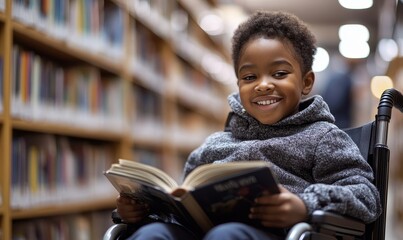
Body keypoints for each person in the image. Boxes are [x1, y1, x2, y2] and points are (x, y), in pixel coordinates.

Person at [115, 11, 382, 240]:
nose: (263, 84)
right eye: (250, 76)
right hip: (206, 232)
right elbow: (184, 208)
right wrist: (143, 212)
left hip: (277, 233)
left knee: (227, 235)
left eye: (279, 73)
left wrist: (304, 204)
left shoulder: (322, 137)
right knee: (151, 234)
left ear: (306, 82)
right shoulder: (214, 144)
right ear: (239, 84)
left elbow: (366, 196)